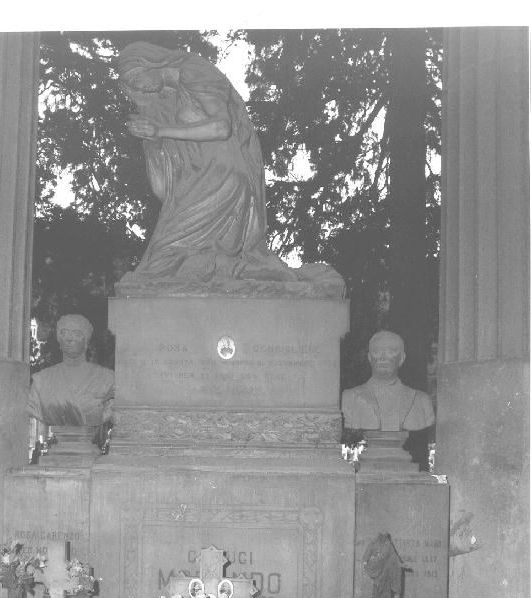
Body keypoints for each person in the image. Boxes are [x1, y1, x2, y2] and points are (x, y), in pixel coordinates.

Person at [118, 42, 342, 287]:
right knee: (162, 261)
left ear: (150, 62)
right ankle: (244, 270)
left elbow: (221, 127)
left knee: (163, 263)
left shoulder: (194, 72)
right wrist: (152, 140)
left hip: (223, 177)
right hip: (197, 180)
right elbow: (162, 189)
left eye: (135, 76)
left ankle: (245, 270)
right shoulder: (164, 101)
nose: (136, 86)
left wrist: (160, 130)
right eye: (130, 83)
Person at [27, 315, 114, 429]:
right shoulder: (42, 380)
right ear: (59, 339)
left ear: (86, 341)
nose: (69, 339)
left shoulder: (106, 378)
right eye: (64, 333)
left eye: (77, 334)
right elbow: (33, 407)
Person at [341, 330, 435, 431]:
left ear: (402, 358)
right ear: (369, 357)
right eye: (377, 351)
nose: (383, 357)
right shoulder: (349, 398)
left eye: (390, 352)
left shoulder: (422, 401)